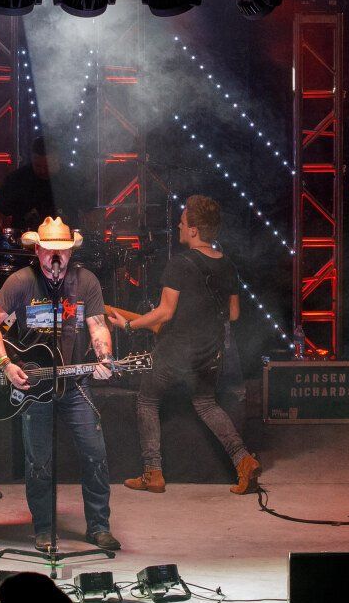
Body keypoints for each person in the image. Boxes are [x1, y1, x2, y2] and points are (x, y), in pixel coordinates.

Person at [0, 215, 121, 554]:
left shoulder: (86, 281)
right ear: (37, 250)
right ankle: (43, 530)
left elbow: (98, 326)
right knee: (39, 461)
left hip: (74, 383)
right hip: (34, 385)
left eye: (62, 251)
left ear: (70, 252)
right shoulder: (20, 282)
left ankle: (99, 527)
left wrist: (104, 359)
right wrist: (6, 364)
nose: (55, 258)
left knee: (95, 454)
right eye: (48, 251)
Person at [110, 196, 260, 495]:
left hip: (177, 352)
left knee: (147, 400)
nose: (178, 226)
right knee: (205, 403)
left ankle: (153, 473)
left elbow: (164, 313)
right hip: (211, 353)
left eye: (182, 222)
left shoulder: (179, 263)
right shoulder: (227, 264)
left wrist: (128, 324)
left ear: (193, 230)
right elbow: (233, 314)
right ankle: (243, 460)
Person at [0, 136, 57, 236]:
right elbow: (0, 211)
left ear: (57, 160)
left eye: (47, 166)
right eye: (38, 166)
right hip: (24, 242)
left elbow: (87, 211)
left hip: (63, 241)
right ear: (32, 158)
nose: (42, 170)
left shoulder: (68, 181)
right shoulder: (17, 179)